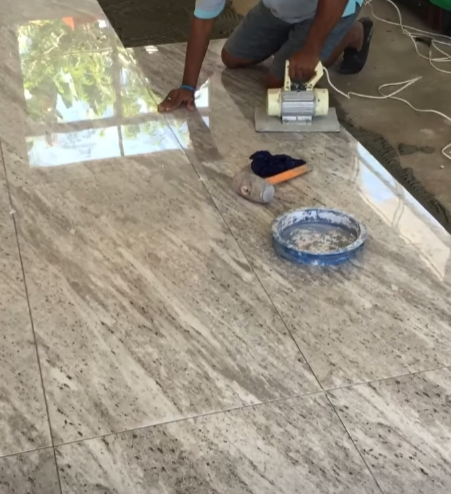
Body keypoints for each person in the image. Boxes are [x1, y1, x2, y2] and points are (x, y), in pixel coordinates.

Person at [158, 0, 373, 112]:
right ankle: (294, 39)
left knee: (279, 83)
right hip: (279, 6)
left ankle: (353, 33)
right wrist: (187, 86)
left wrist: (310, 49)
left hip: (331, 8)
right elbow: (203, 21)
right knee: (231, 57)